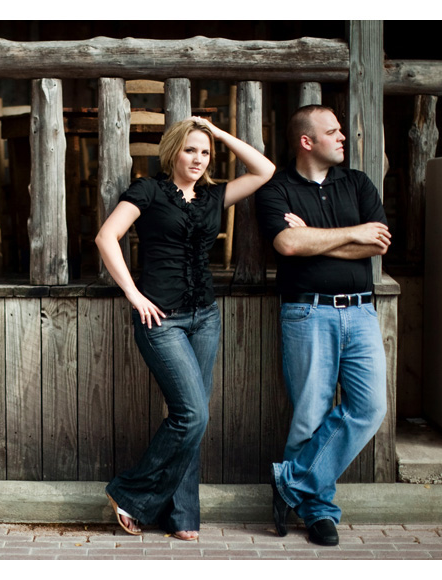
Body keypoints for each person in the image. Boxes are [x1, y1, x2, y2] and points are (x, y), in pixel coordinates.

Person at [97, 116, 275, 540]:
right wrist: (134, 294)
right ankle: (130, 493)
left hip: (205, 317)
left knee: (192, 417)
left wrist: (219, 133)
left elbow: (264, 170)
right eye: (191, 149)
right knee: (192, 415)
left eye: (205, 152)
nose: (198, 158)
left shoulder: (214, 196)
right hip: (161, 320)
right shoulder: (149, 190)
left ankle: (182, 517)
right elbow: (107, 237)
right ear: (174, 151)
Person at [255, 105, 390, 546]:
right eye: (332, 132)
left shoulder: (358, 183)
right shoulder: (277, 188)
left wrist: (316, 236)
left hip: (361, 312)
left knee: (370, 408)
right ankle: (318, 512)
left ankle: (289, 483)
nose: (342, 137)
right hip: (308, 313)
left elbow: (378, 244)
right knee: (309, 417)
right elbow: (288, 244)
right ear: (306, 141)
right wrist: (352, 234)